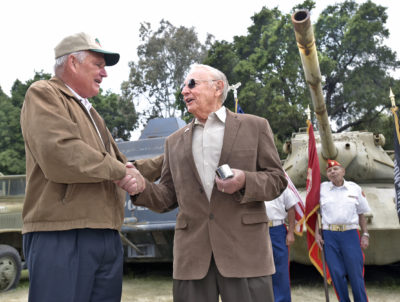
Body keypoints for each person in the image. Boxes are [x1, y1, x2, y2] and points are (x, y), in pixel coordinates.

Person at [118, 63, 287, 302]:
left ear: (218, 88)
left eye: (192, 84)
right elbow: (167, 196)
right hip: (192, 258)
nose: (184, 91)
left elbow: (277, 180)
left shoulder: (255, 126)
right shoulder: (174, 141)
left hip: (244, 252)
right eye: (183, 87)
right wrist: (142, 188)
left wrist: (244, 181)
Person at [20, 32, 161, 302]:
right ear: (73, 62)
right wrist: (123, 173)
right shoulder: (44, 93)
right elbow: (61, 154)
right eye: (98, 65)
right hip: (62, 234)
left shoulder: (92, 113)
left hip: (104, 234)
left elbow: (121, 165)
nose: (104, 73)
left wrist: (172, 155)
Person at [315, 159, 370, 302]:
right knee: (336, 273)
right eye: (329, 171)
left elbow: (361, 214)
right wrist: (317, 233)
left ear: (343, 171)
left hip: (350, 234)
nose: (333, 172)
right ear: (327, 175)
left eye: (336, 169)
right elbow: (317, 213)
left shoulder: (354, 188)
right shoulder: (321, 189)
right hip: (329, 235)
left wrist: (365, 234)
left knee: (355, 274)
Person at [265, 175, 300, 302]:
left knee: (280, 268)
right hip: (258, 231)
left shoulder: (283, 189)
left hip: (277, 230)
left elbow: (291, 210)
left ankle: (282, 299)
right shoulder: (255, 188)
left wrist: (290, 232)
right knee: (259, 268)